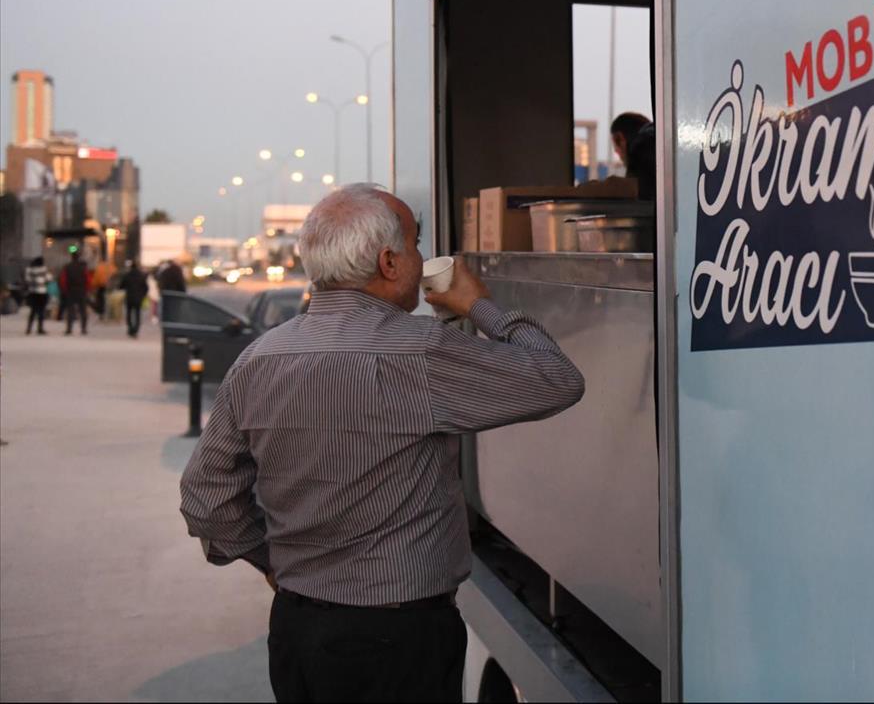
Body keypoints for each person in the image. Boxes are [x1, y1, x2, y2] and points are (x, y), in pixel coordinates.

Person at [180, 184, 585, 704]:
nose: (421, 258)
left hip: (298, 633)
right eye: (415, 245)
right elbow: (558, 378)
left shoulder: (259, 359)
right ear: (389, 262)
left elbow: (206, 498)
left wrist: (271, 561)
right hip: (400, 641)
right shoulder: (421, 352)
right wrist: (480, 305)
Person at [59, 251, 90, 336]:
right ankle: (83, 328)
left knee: (70, 310)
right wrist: (86, 289)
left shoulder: (67, 267)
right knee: (83, 310)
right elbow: (87, 279)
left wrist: (65, 290)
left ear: (71, 257)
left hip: (71, 290)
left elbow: (63, 280)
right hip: (81, 290)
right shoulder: (83, 267)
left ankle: (69, 329)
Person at [23, 256, 52, 335]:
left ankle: (29, 329)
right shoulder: (44, 269)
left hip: (33, 293)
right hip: (42, 292)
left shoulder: (29, 270)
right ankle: (40, 328)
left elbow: (27, 280)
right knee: (41, 312)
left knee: (33, 311)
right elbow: (49, 278)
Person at [120, 260, 148, 338]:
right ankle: (136, 329)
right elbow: (146, 287)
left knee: (129, 313)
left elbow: (121, 286)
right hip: (138, 298)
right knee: (137, 314)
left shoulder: (127, 275)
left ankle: (130, 328)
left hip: (129, 297)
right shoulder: (141, 275)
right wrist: (143, 295)